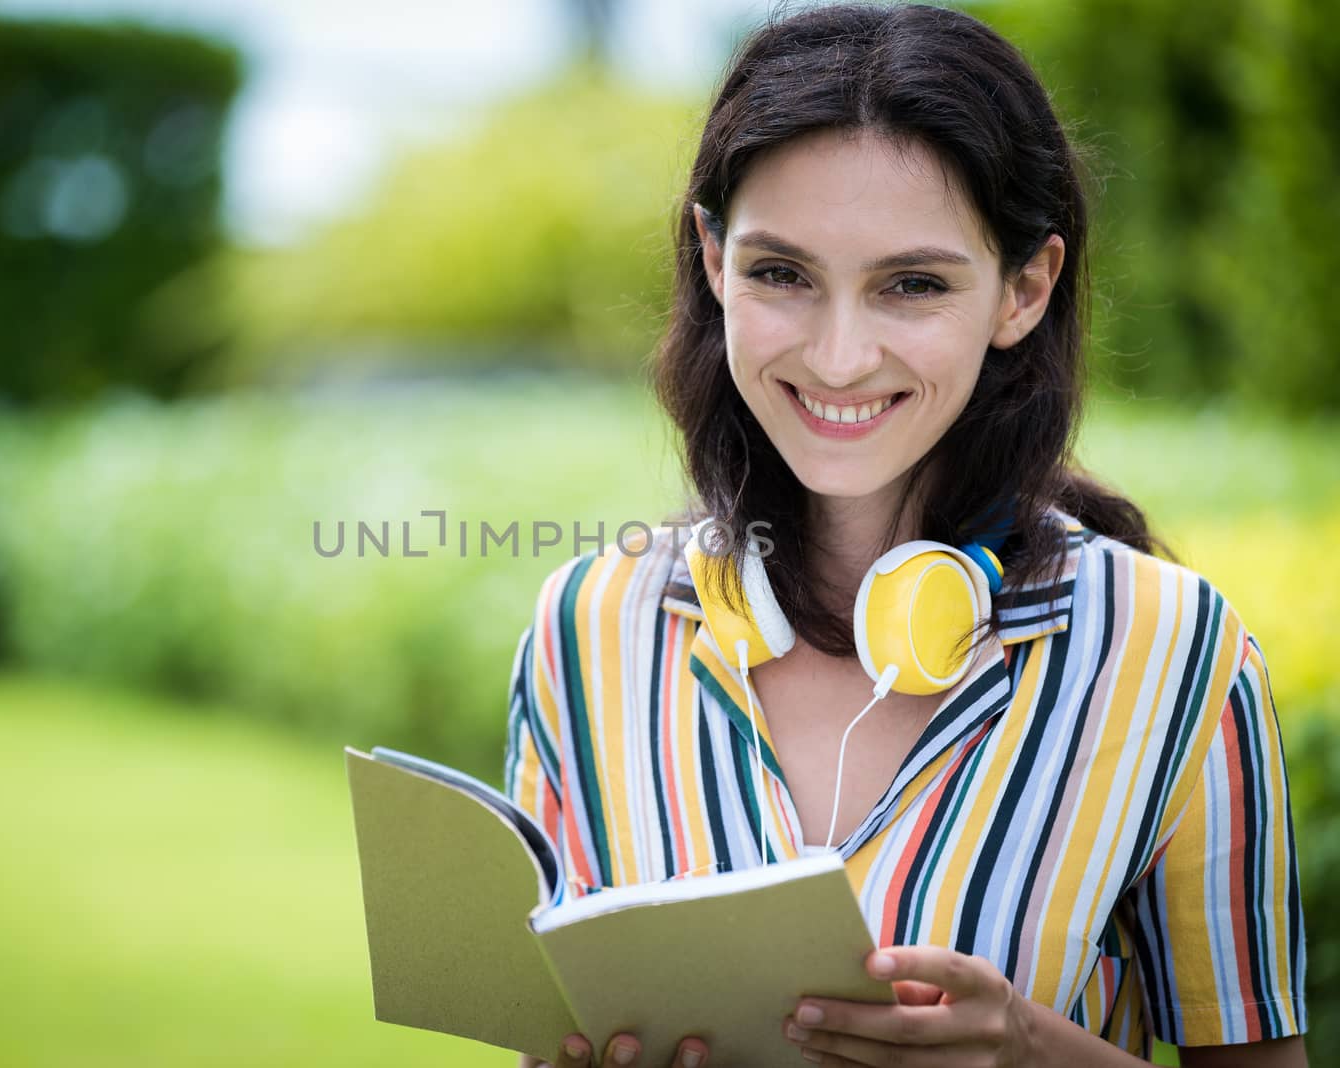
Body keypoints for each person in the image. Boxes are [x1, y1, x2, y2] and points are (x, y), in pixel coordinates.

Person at [500, 4, 1308, 1067]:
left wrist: (1025, 1047)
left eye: (912, 285)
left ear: (1023, 289)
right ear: (709, 256)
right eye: (780, 274)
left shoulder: (1168, 651)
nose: (838, 360)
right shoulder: (587, 626)